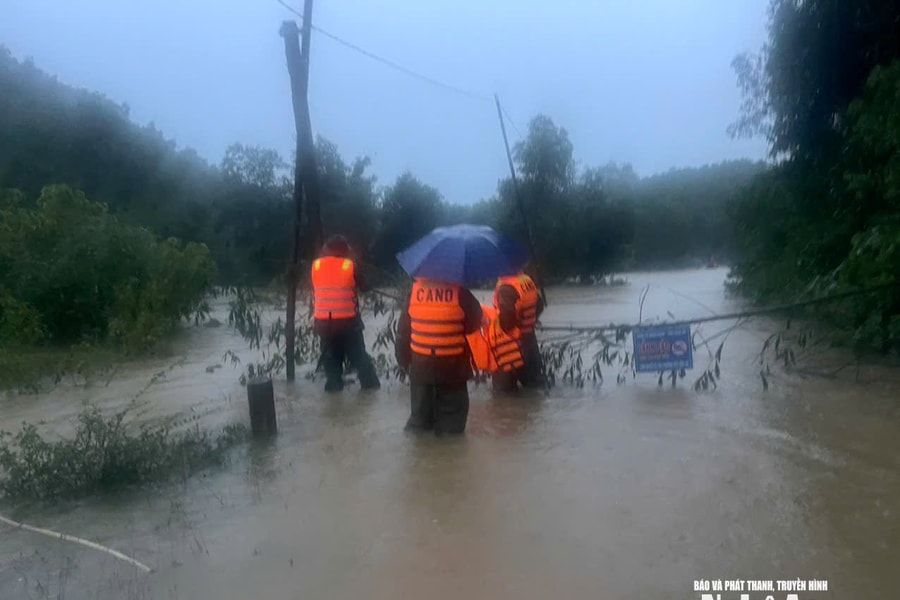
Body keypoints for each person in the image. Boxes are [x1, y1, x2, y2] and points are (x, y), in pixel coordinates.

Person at [395, 277, 483, 434]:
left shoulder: (414, 293)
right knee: (452, 425)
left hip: (421, 368)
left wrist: (404, 361)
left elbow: (403, 331)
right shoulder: (460, 292)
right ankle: (449, 456)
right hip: (452, 368)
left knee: (419, 424)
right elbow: (475, 321)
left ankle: (419, 456)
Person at [309, 234, 380, 392]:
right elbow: (365, 286)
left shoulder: (316, 266)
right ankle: (371, 388)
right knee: (359, 357)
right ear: (344, 250)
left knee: (331, 361)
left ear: (327, 248)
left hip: (323, 324)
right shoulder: (350, 266)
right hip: (348, 323)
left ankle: (334, 393)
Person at [493, 267, 545, 389]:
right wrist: (529, 320)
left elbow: (507, 322)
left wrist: (491, 324)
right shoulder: (526, 281)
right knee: (534, 393)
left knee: (504, 398)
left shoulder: (506, 288)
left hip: (510, 348)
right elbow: (540, 305)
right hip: (530, 344)